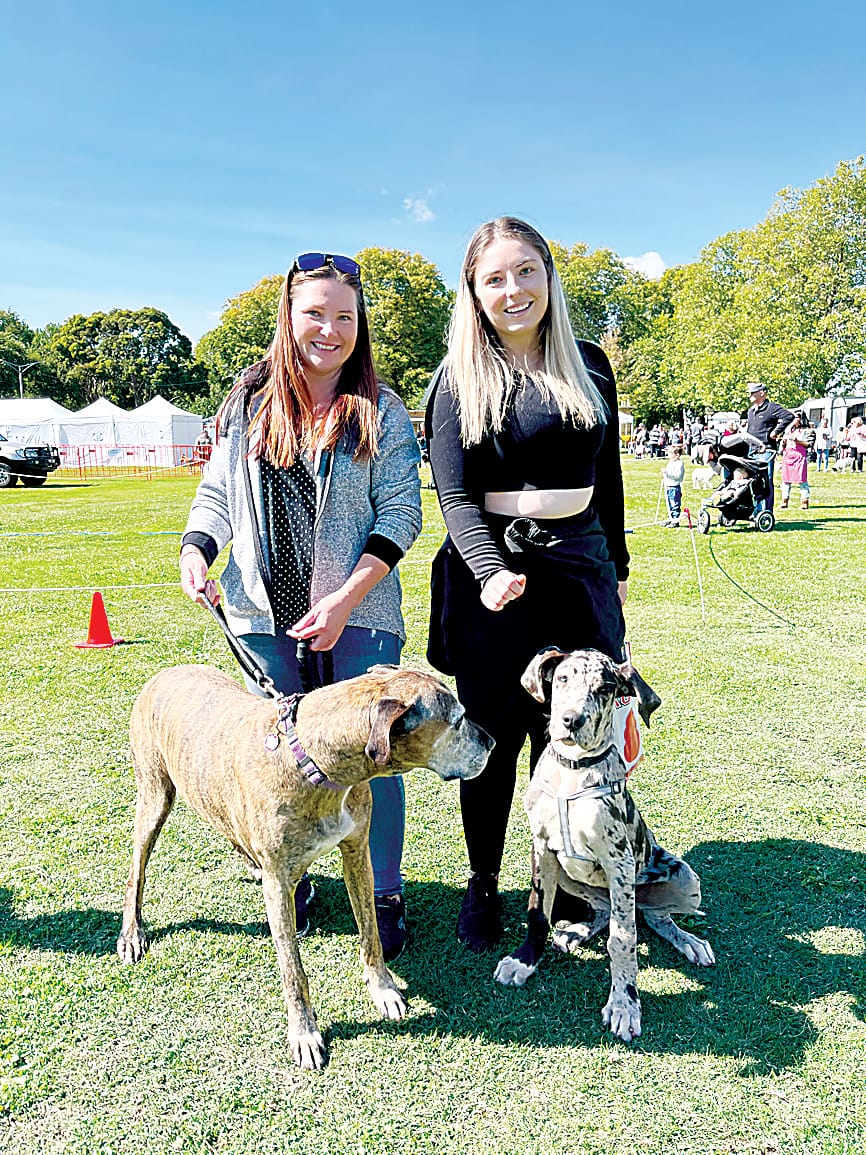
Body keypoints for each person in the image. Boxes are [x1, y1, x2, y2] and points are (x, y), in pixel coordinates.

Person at [179, 251, 422, 960]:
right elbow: (217, 496)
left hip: (362, 617)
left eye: (344, 316)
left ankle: (383, 890)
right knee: (280, 760)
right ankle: (296, 879)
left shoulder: (380, 408)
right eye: (315, 312)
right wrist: (198, 548)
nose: (330, 329)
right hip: (264, 618)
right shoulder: (247, 403)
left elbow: (401, 511)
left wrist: (347, 598)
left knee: (373, 757)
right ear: (288, 316)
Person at [425, 216, 629, 951]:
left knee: (574, 734)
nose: (513, 290)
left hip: (581, 571)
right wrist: (487, 572)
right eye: (494, 278)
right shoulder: (457, 376)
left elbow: (606, 483)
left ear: (548, 274)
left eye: (525, 271)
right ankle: (485, 882)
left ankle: (569, 886)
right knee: (497, 738)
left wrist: (620, 573)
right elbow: (452, 497)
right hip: (495, 574)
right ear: (475, 292)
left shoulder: (591, 363)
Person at [745, 382, 793, 512]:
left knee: (766, 480)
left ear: (762, 393)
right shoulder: (751, 411)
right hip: (752, 450)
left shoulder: (771, 408)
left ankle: (766, 512)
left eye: (752, 393)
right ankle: (755, 510)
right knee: (752, 481)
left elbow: (789, 416)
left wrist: (776, 432)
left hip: (766, 449)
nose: (749, 395)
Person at [779, 412, 814, 509]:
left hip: (800, 457)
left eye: (796, 418)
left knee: (802, 480)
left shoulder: (807, 431)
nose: (793, 420)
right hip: (788, 456)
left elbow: (809, 444)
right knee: (786, 480)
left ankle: (804, 501)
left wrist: (797, 441)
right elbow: (782, 444)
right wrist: (783, 443)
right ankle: (784, 500)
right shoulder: (788, 430)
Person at [661, 444, 684, 526]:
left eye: (670, 453)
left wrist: (667, 473)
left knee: (675, 504)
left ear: (677, 455)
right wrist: (664, 475)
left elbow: (678, 476)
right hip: (668, 486)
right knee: (669, 503)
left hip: (674, 487)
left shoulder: (679, 464)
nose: (668, 455)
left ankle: (675, 520)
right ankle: (670, 518)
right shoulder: (670, 463)